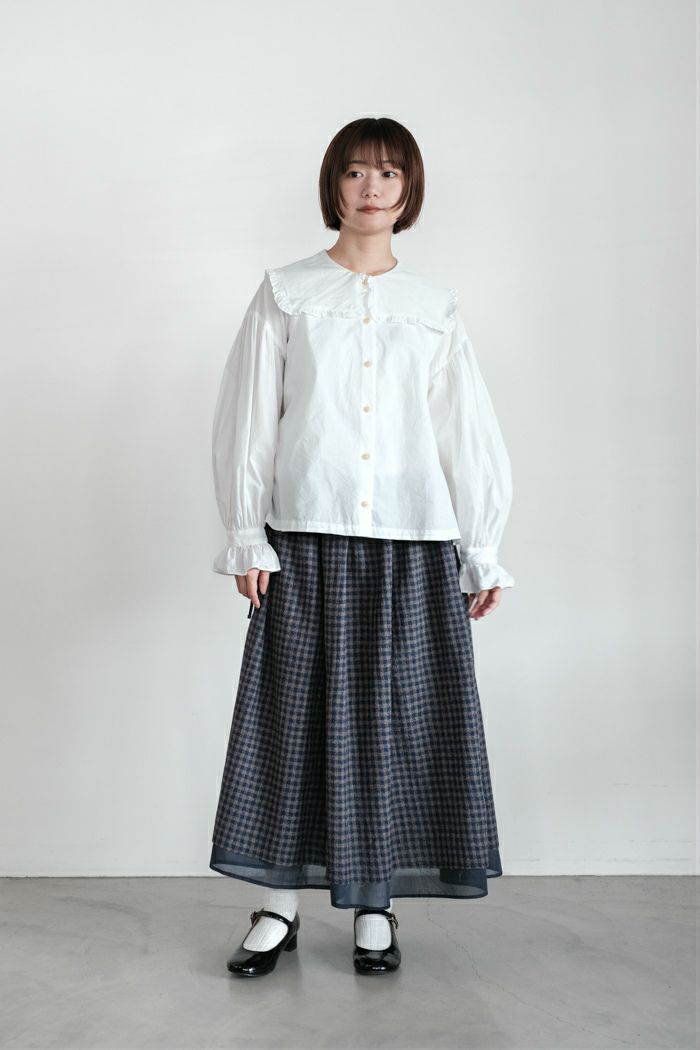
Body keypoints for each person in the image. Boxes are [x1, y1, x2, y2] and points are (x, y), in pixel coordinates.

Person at [208, 116, 515, 978]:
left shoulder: (433, 308)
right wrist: (246, 535)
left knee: (394, 723)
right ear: (333, 186)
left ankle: (375, 903)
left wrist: (482, 548)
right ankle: (278, 907)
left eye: (388, 173)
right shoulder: (287, 292)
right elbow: (249, 419)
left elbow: (465, 433)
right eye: (354, 172)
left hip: (413, 541)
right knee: (290, 720)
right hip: (305, 537)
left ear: (408, 190)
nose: (371, 187)